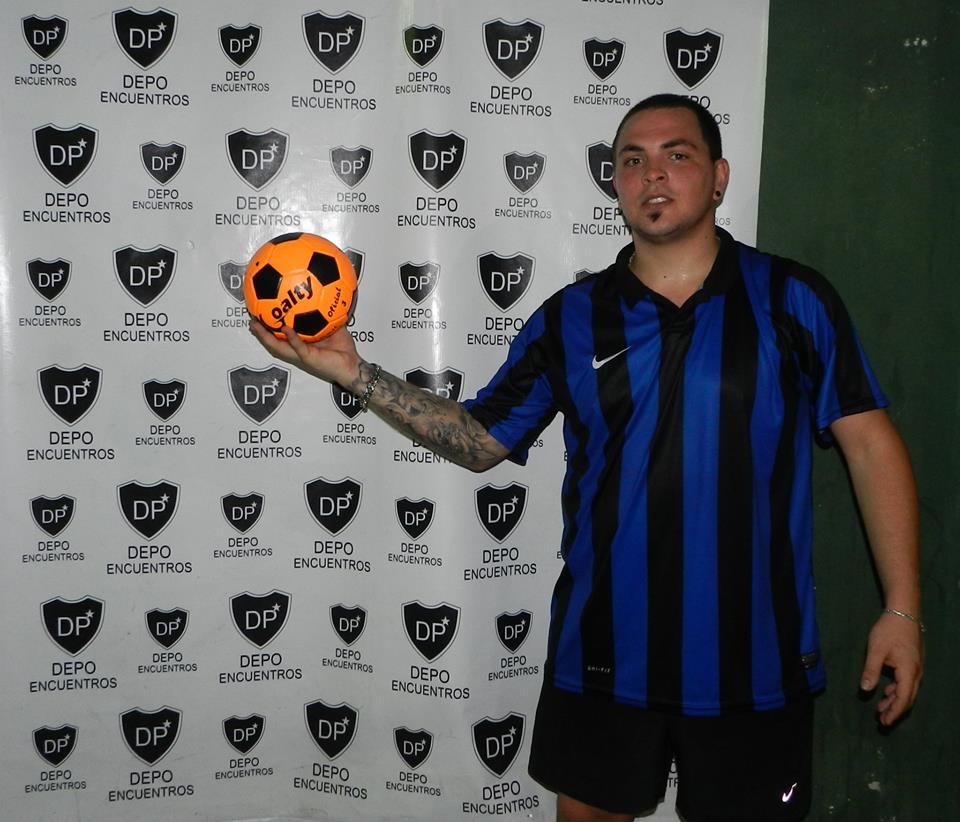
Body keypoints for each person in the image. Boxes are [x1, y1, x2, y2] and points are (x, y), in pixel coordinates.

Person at [250, 94, 923, 822]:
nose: (652, 174)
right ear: (615, 183)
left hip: (755, 660)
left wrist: (902, 610)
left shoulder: (794, 299)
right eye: (631, 160)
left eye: (677, 155)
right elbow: (480, 441)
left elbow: (870, 446)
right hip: (603, 654)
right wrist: (355, 373)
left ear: (719, 177)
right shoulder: (571, 319)